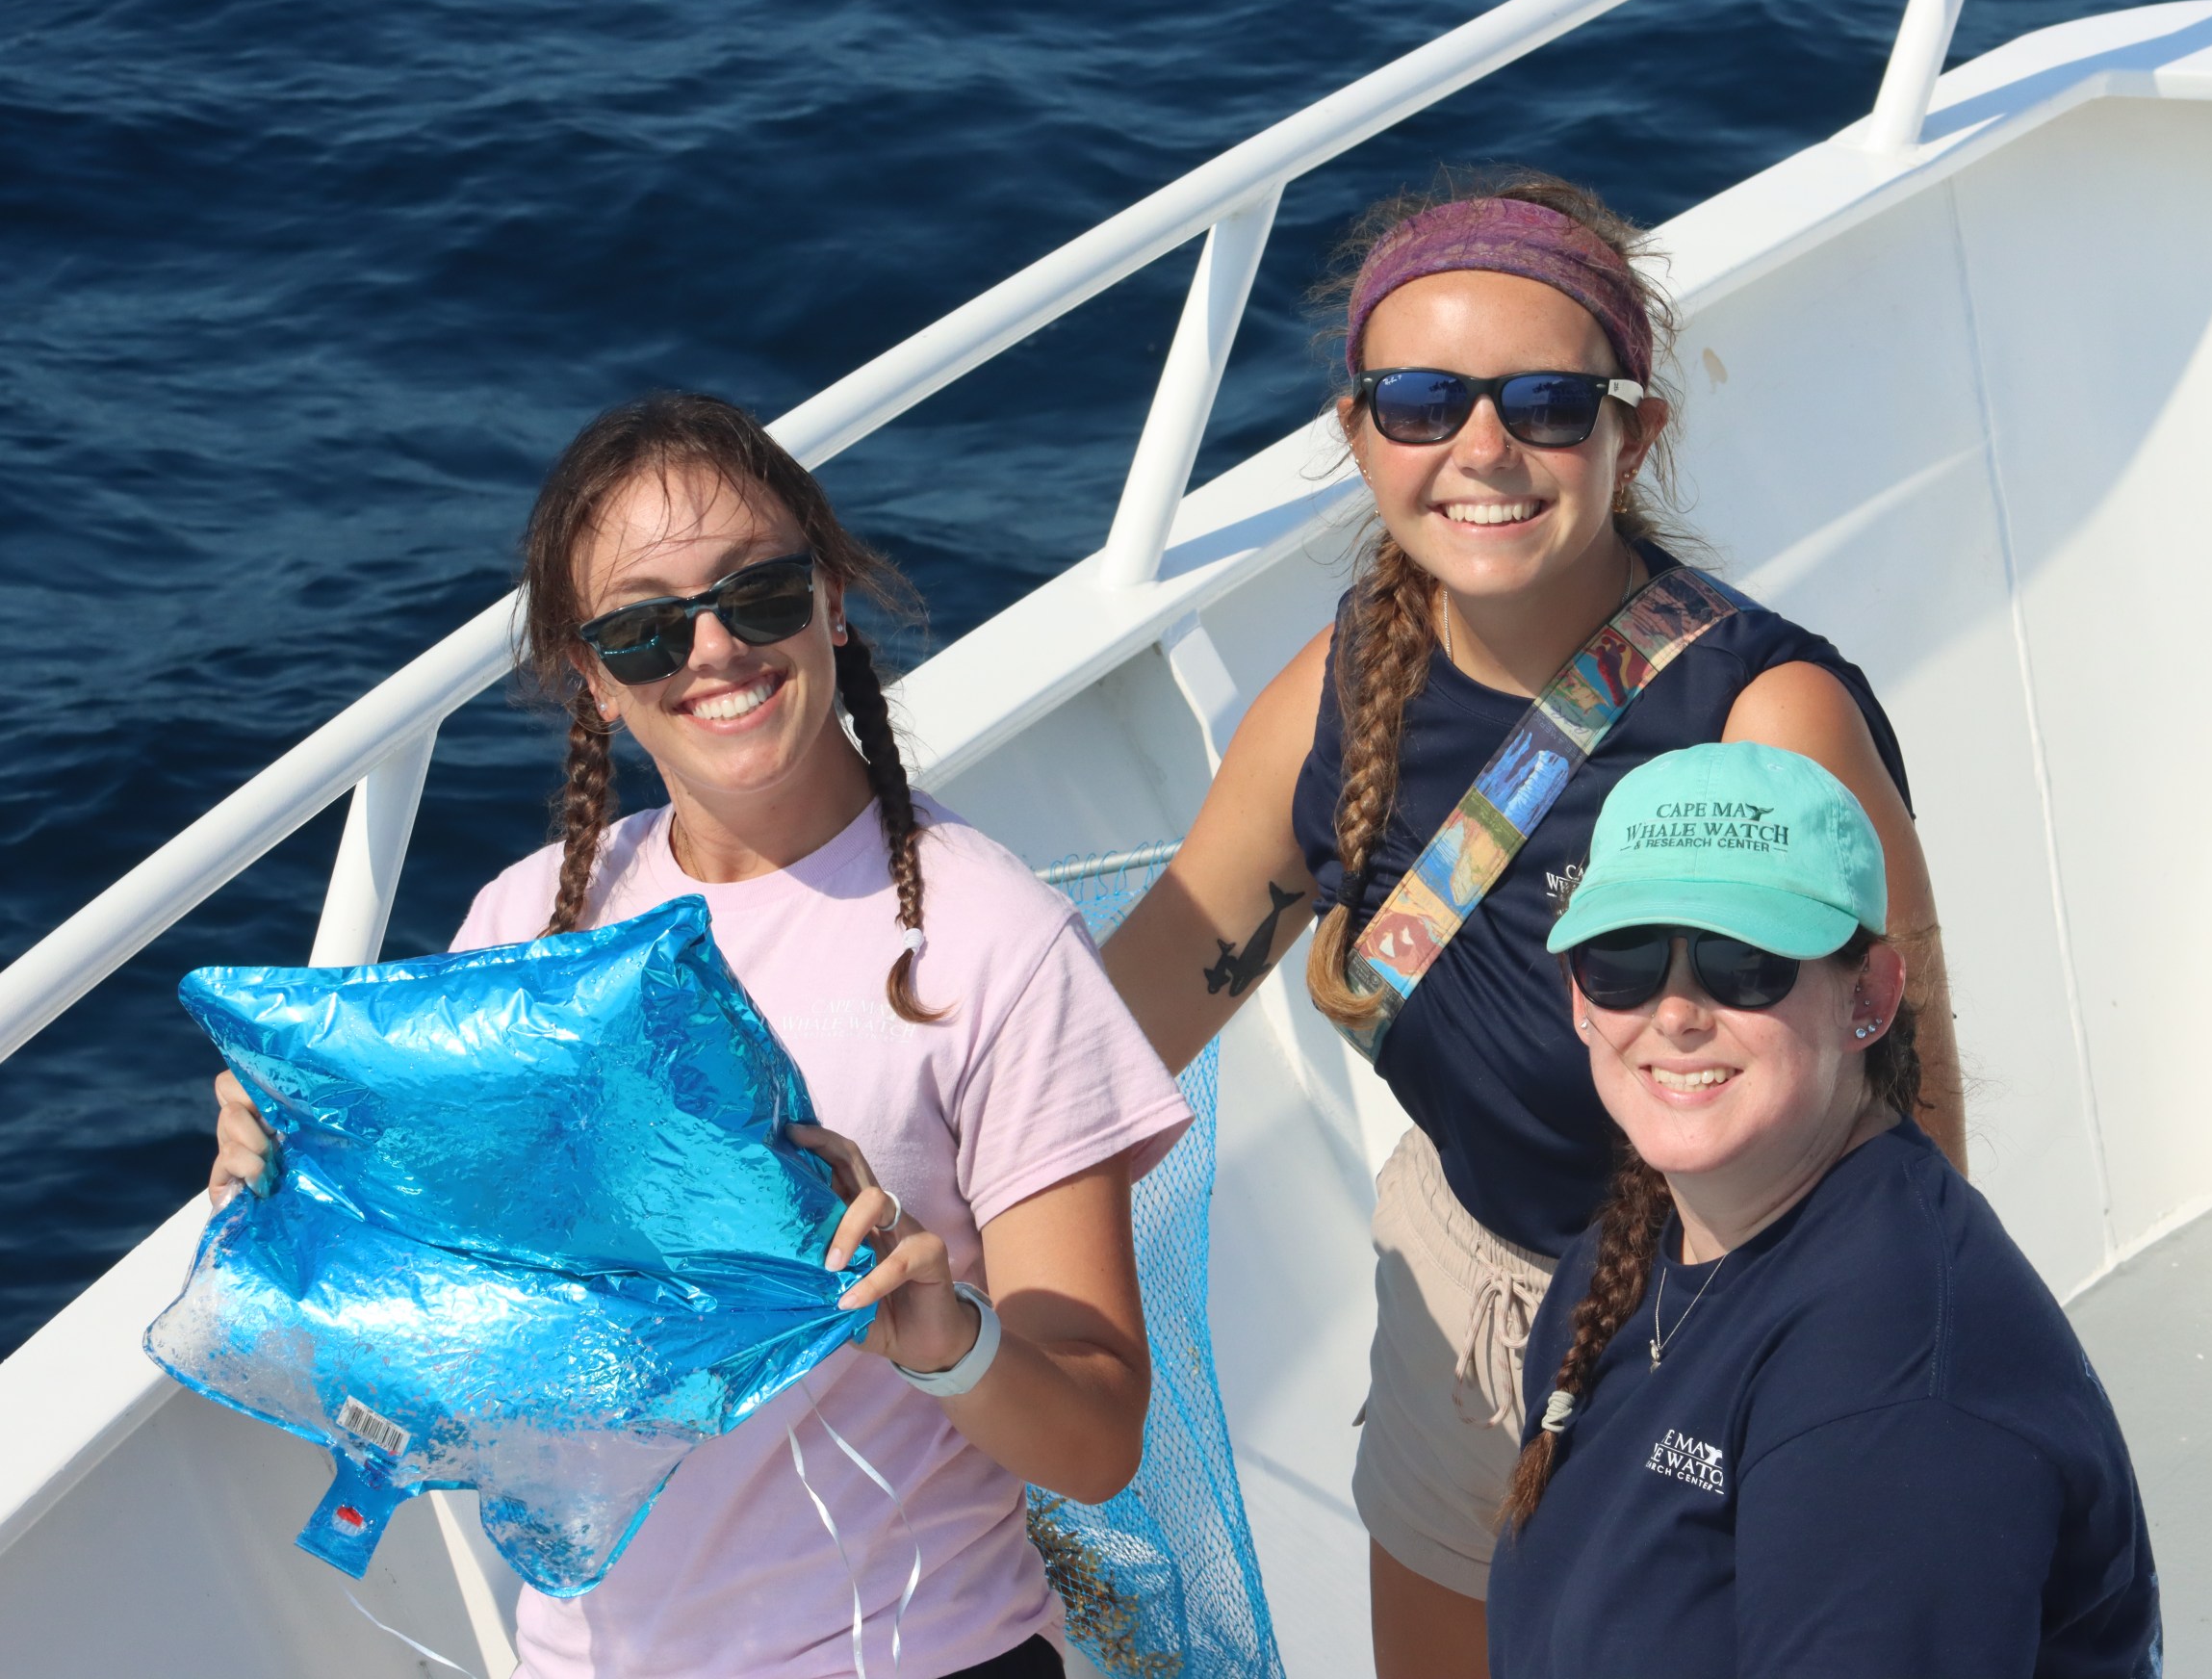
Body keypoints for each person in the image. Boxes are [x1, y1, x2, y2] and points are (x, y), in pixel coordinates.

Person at [1101, 173, 1966, 1677]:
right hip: (1461, 1296)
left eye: (1550, 403)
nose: (1481, 450)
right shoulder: (1332, 693)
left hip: (1723, 1333)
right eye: (1422, 401)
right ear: (1361, 430)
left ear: (1637, 430)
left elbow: (1914, 1099)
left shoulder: (1766, 717)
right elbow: (1117, 1031)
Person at [210, 392, 1191, 1679]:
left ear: (833, 601)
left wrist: (948, 1339)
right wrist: (300, 1192)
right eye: (646, 627)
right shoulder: (526, 923)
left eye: (762, 594)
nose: (715, 648)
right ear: (596, 681)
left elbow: (1099, 1437)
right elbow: (455, 1346)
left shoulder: (993, 942)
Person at [1490, 740, 2158, 1678]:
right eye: (1626, 958)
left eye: (1743, 960)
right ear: (1578, 998)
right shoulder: (1626, 1253)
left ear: (1871, 995)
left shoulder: (1898, 1392)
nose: (1676, 1013)